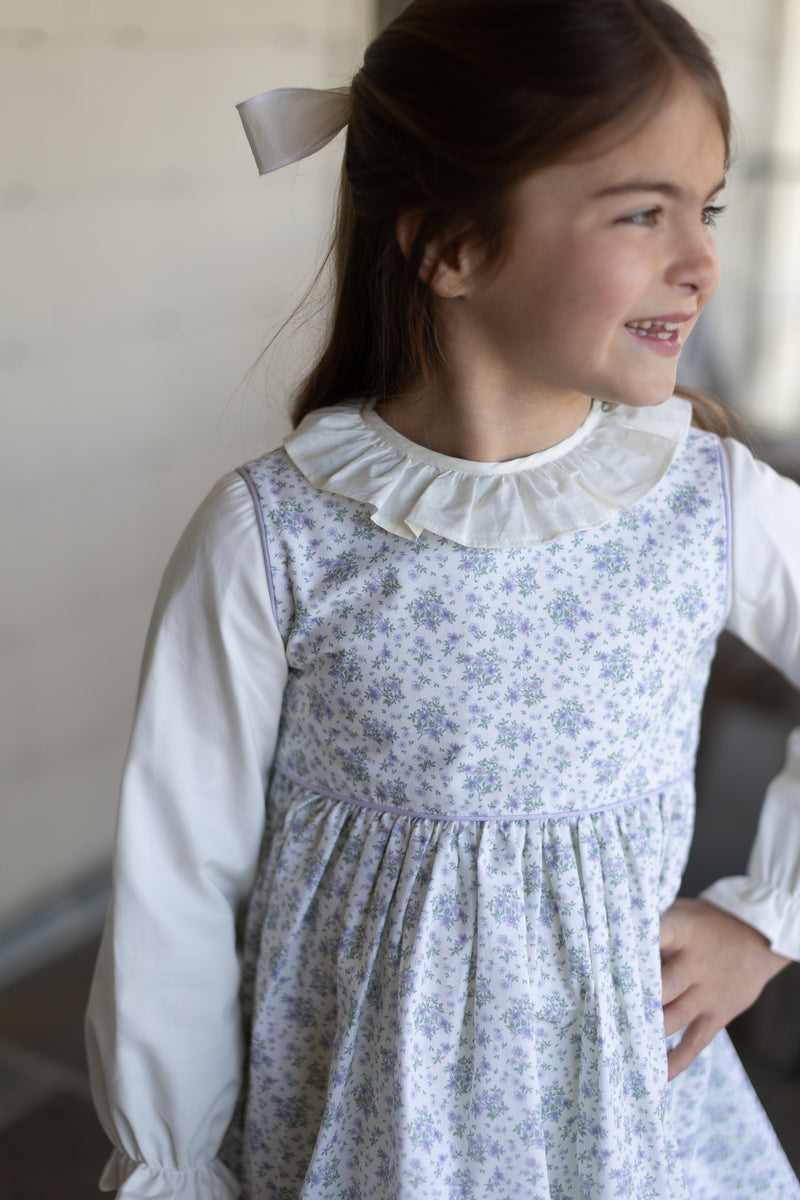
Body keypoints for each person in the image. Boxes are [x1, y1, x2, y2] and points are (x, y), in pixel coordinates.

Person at [85, 1, 800, 1196]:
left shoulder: (703, 500)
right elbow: (177, 885)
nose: (699, 261)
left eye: (706, 209)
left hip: (626, 1119)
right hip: (368, 1129)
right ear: (451, 247)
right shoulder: (276, 536)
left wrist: (765, 921)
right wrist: (173, 1163)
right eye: (642, 212)